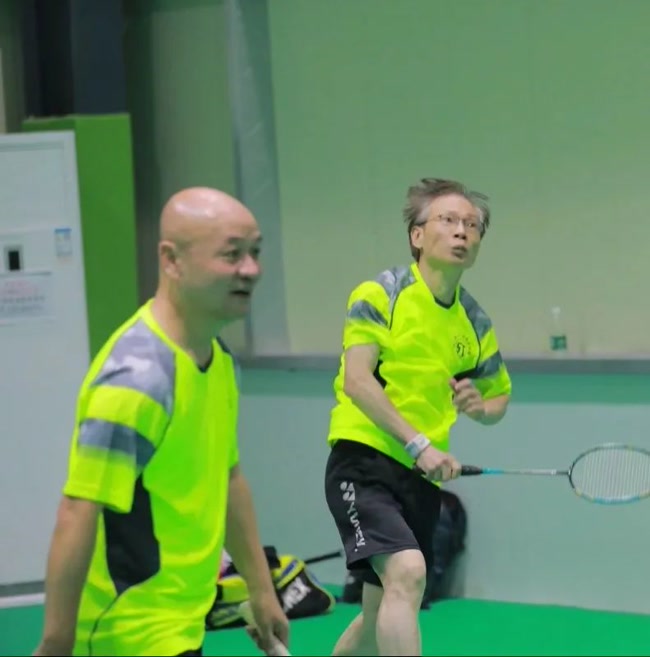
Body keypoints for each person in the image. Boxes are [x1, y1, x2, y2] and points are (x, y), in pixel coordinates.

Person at [33, 188, 290, 656]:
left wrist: (262, 589)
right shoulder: (137, 379)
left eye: (255, 252)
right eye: (232, 254)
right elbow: (78, 510)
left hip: (182, 622)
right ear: (171, 261)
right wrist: (56, 642)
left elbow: (228, 478)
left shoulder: (219, 362)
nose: (251, 269)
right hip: (125, 632)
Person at [324, 177, 512, 656]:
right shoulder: (381, 294)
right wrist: (418, 443)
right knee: (408, 573)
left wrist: (479, 406)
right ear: (417, 235)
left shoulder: (474, 322)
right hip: (363, 462)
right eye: (448, 220)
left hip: (420, 478)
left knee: (380, 610)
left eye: (472, 225)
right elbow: (357, 381)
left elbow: (499, 400)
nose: (462, 231)